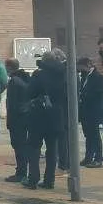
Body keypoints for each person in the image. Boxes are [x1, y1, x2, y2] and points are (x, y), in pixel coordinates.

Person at [24, 50, 67, 190]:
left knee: (34, 147)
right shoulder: (63, 74)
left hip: (39, 116)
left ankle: (33, 179)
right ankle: (49, 180)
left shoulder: (38, 74)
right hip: (56, 116)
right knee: (52, 149)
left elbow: (30, 92)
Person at [3, 58, 32, 183]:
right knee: (22, 145)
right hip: (25, 117)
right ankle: (22, 170)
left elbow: (13, 103)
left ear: (9, 68)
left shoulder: (14, 81)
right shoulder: (25, 78)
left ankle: (21, 172)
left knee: (18, 145)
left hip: (17, 119)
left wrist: (10, 120)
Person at [77, 56, 103, 168]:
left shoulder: (97, 77)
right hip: (85, 110)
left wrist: (84, 95)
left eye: (82, 67)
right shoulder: (85, 76)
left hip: (93, 109)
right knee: (88, 135)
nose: (81, 70)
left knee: (95, 134)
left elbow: (99, 92)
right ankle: (88, 157)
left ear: (88, 66)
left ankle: (98, 158)